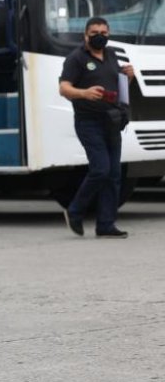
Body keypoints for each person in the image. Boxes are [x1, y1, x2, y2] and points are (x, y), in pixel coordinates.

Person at [60, 16, 136, 238]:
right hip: (89, 122)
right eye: (94, 33)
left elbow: (118, 86)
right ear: (85, 35)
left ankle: (106, 224)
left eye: (104, 33)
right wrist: (84, 93)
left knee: (114, 174)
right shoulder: (76, 58)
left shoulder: (111, 54)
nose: (99, 37)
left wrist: (128, 77)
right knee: (101, 169)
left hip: (112, 120)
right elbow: (64, 88)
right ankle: (74, 211)